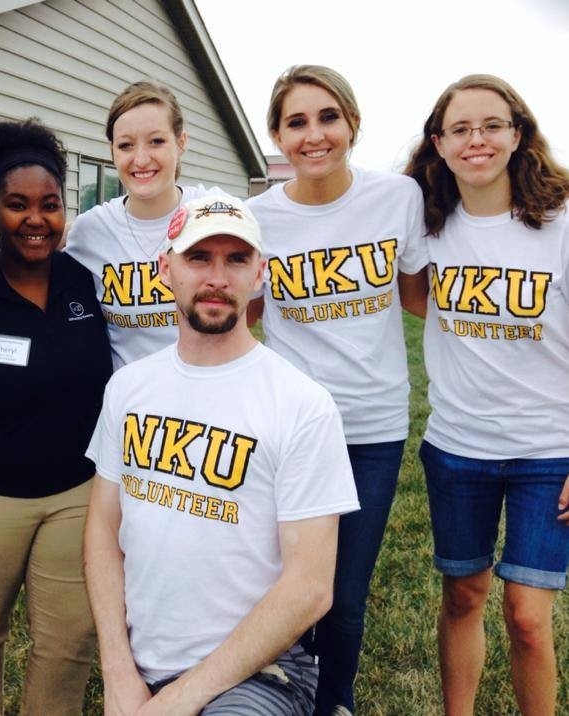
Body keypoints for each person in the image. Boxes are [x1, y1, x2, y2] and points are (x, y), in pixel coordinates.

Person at [84, 194, 359, 715]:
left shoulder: (302, 404)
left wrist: (179, 700)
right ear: (166, 269)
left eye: (236, 259)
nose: (217, 277)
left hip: (261, 669)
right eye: (198, 258)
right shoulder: (128, 388)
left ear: (260, 273)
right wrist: (117, 674)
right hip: (144, 663)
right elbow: (102, 530)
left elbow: (310, 587)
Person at [244, 65, 429, 716]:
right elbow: (244, 314)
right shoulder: (255, 217)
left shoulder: (395, 200)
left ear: (351, 123)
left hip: (372, 429)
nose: (313, 134)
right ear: (275, 134)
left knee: (344, 594)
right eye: (295, 122)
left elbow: (417, 295)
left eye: (327, 117)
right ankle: (281, 687)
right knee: (287, 583)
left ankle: (334, 701)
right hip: (288, 429)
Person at [405, 74, 569, 716]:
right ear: (439, 144)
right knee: (463, 594)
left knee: (528, 615)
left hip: (549, 450)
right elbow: (418, 302)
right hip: (457, 448)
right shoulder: (429, 227)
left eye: (492, 125)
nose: (477, 140)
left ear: (518, 134)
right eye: (461, 129)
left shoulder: (558, 225)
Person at [0, 118, 112, 715]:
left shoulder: (86, 283)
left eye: (50, 204)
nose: (35, 219)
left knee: (69, 639)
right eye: (17, 205)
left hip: (75, 492)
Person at [65, 80, 221, 368]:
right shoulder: (90, 231)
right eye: (126, 145)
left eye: (156, 141)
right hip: (130, 405)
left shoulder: (214, 213)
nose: (141, 159)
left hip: (208, 401)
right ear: (112, 150)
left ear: (181, 142)